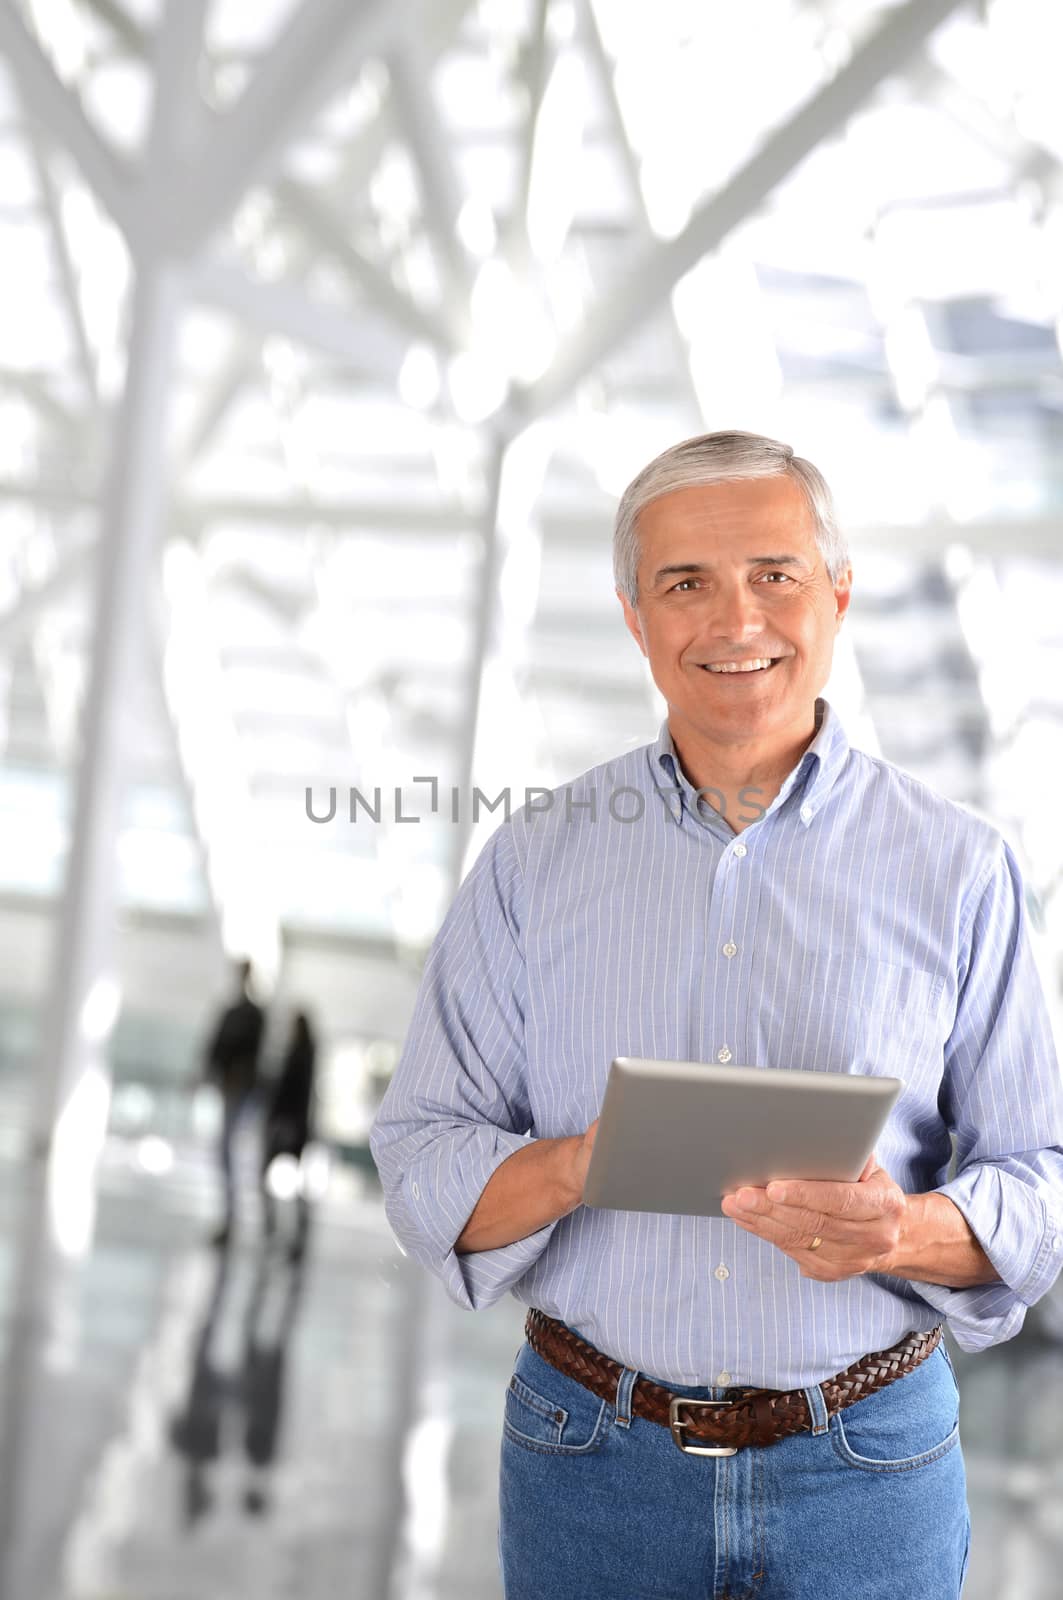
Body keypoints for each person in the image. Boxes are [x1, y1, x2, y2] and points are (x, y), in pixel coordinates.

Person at [369, 431, 1063, 1600]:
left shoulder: (959, 871)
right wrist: (585, 1163)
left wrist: (898, 1231)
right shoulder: (534, 864)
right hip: (588, 1464)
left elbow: (1040, 1179)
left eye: (774, 575)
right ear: (637, 618)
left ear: (836, 595)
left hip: (867, 1474)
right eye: (685, 583)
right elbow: (421, 1158)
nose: (735, 620)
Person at [202, 958, 266, 1247]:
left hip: (241, 1091)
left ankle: (234, 1219)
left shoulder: (253, 1015)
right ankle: (229, 1218)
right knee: (224, 1152)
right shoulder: (232, 1011)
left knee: (231, 1152)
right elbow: (215, 1048)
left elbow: (253, 1055)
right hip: (230, 1089)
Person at [260, 1009, 316, 1259]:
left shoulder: (299, 1056)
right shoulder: (303, 1055)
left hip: (287, 1126)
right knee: (292, 1183)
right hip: (294, 1126)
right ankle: (291, 1233)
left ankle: (281, 1231)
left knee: (286, 1182)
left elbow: (290, 1095)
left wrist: (279, 1123)